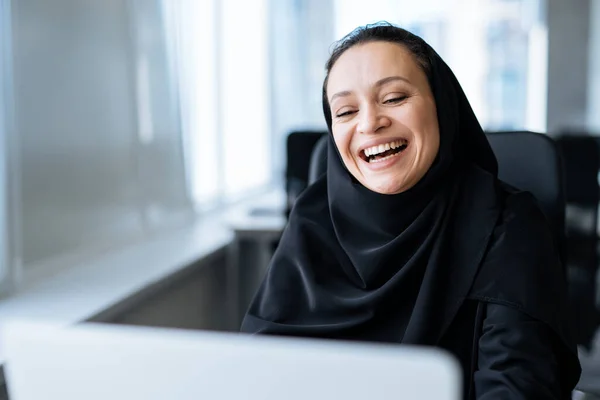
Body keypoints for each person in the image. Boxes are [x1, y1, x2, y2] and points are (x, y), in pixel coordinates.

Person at [241, 22, 581, 399]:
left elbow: (516, 385)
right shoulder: (312, 218)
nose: (370, 123)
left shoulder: (507, 221)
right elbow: (260, 367)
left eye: (394, 97)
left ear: (441, 104)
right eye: (346, 110)